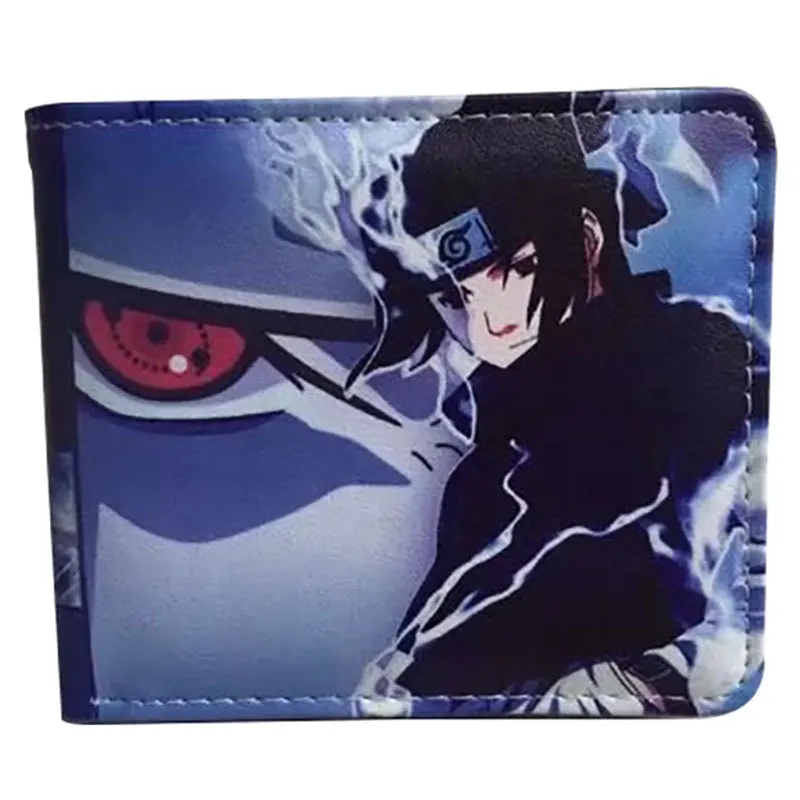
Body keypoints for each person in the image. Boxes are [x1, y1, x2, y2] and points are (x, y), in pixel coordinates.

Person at [352, 115, 750, 712]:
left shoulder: (695, 363)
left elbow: (747, 586)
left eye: (518, 270)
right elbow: (440, 647)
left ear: (587, 239)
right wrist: (400, 683)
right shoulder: (485, 473)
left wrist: (640, 682)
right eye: (460, 297)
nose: (491, 321)